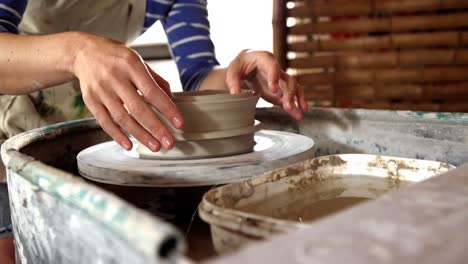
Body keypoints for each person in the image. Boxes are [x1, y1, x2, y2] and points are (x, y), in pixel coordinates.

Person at [0, 0, 307, 262]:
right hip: (10, 138)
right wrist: (77, 52)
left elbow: (197, 77)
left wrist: (236, 80)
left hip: (90, 130)